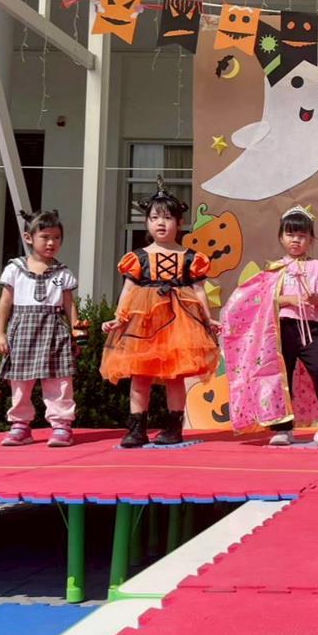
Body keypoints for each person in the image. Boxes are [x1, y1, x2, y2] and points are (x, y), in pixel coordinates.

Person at [220, 205, 318, 446]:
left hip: (309, 329)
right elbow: (262, 302)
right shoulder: (274, 270)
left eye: (301, 235)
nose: (295, 240)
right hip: (279, 331)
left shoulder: (316, 267)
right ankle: (282, 429)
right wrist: (287, 299)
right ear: (281, 237)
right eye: (290, 234)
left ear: (310, 239)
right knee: (278, 377)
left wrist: (314, 297)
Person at [100, 181, 219, 447]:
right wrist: (119, 317)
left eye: (167, 218)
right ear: (146, 222)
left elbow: (199, 290)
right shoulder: (138, 257)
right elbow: (128, 290)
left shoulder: (191, 257)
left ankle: (174, 428)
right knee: (139, 375)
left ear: (179, 222)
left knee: (175, 376)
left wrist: (207, 318)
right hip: (144, 324)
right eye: (154, 218)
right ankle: (136, 429)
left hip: (180, 323)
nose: (160, 223)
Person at [0, 209, 78, 447]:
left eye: (57, 238)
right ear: (28, 237)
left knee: (59, 379)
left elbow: (69, 304)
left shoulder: (63, 272)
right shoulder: (14, 268)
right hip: (22, 331)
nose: (52, 243)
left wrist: (77, 331)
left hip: (54, 330)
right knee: (20, 380)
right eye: (45, 237)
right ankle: (20, 425)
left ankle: (61, 425)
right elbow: (5, 302)